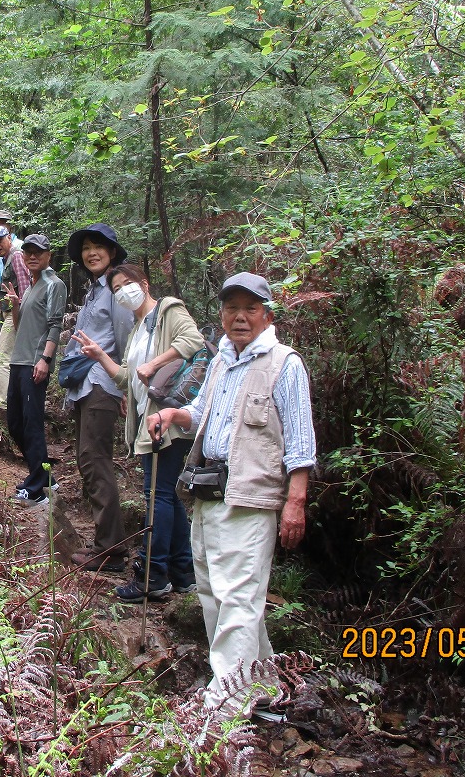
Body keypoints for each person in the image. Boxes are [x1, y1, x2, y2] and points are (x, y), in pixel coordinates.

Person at [146, 272, 316, 715]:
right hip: (208, 492)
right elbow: (202, 411)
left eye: (250, 309)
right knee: (213, 593)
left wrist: (295, 503)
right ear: (221, 314)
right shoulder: (222, 360)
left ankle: (226, 706)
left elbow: (301, 443)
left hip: (251, 500)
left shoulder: (284, 364)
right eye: (231, 309)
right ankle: (263, 688)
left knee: (238, 598)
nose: (240, 317)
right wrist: (172, 414)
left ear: (267, 316)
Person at [73, 263, 204, 603]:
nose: (122, 292)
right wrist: (100, 356)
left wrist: (155, 363)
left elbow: (193, 340)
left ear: (144, 284)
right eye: (116, 289)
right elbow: (127, 378)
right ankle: (184, 572)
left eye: (126, 284)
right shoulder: (136, 331)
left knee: (156, 496)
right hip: (148, 421)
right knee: (165, 495)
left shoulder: (168, 310)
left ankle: (151, 576)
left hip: (169, 418)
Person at [60, 224, 134, 572]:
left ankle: (111, 550)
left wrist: (127, 387)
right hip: (86, 384)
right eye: (87, 247)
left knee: (95, 460)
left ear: (112, 252)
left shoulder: (117, 291)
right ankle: (107, 542)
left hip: (103, 384)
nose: (91, 253)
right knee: (88, 460)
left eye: (98, 247)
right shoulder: (94, 292)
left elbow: (127, 340)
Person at [6, 233, 65, 506]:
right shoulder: (31, 286)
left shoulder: (54, 284)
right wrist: (16, 305)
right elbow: (20, 327)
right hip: (18, 361)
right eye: (28, 251)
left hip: (34, 363)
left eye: (38, 252)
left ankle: (37, 489)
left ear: (48, 256)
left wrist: (45, 359)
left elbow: (55, 325)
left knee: (31, 424)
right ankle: (45, 476)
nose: (32, 256)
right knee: (15, 423)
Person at [0, 225, 31, 410]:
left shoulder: (16, 256)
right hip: (9, 314)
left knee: (0, 359)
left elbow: (25, 287)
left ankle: (0, 404)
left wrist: (21, 318)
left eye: (0, 241)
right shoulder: (5, 259)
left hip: (16, 315)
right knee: (11, 360)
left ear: (9, 238)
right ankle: (12, 402)